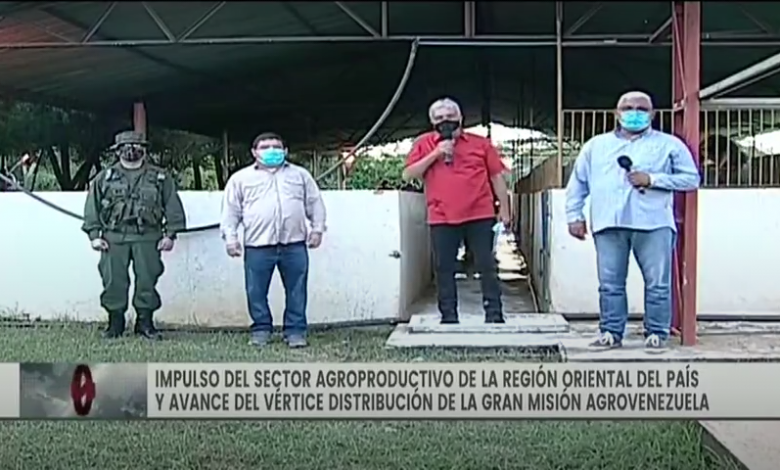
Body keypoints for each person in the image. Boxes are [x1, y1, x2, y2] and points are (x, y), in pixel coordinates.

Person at [565, 91, 700, 354]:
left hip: (653, 223)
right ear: (616, 113)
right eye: (627, 108)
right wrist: (574, 215)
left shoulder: (669, 145)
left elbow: (691, 179)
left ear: (652, 114)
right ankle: (611, 332)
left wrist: (653, 179)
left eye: (641, 108)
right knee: (610, 283)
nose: (634, 113)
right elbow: (578, 183)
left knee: (658, 283)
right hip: (608, 223)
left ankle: (657, 333)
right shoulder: (596, 146)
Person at [403, 97, 511, 325]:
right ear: (432, 121)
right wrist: (436, 154)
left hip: (480, 214)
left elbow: (496, 176)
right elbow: (409, 173)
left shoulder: (480, 144)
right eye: (439, 117)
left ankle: (494, 314)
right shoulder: (423, 143)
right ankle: (448, 316)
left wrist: (504, 209)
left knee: (486, 265)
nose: (445, 121)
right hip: (441, 216)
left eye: (450, 116)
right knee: (444, 268)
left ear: (460, 118)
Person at [220, 132, 327, 349]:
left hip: (294, 244)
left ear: (285, 151)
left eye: (276, 147)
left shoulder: (300, 175)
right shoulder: (240, 179)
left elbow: (315, 203)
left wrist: (317, 230)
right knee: (256, 291)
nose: (271, 151)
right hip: (257, 246)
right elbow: (231, 211)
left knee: (297, 290)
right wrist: (231, 239)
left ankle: (295, 331)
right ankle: (261, 330)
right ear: (254, 152)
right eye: (265, 147)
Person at [82, 131, 186, 340]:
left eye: (136, 146)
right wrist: (94, 235)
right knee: (113, 281)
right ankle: (115, 323)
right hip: (113, 238)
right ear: (117, 151)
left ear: (144, 150)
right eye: (126, 146)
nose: (131, 150)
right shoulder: (104, 177)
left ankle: (145, 323)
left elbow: (172, 206)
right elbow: (92, 207)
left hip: (148, 237)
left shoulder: (160, 177)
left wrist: (170, 235)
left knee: (147, 280)